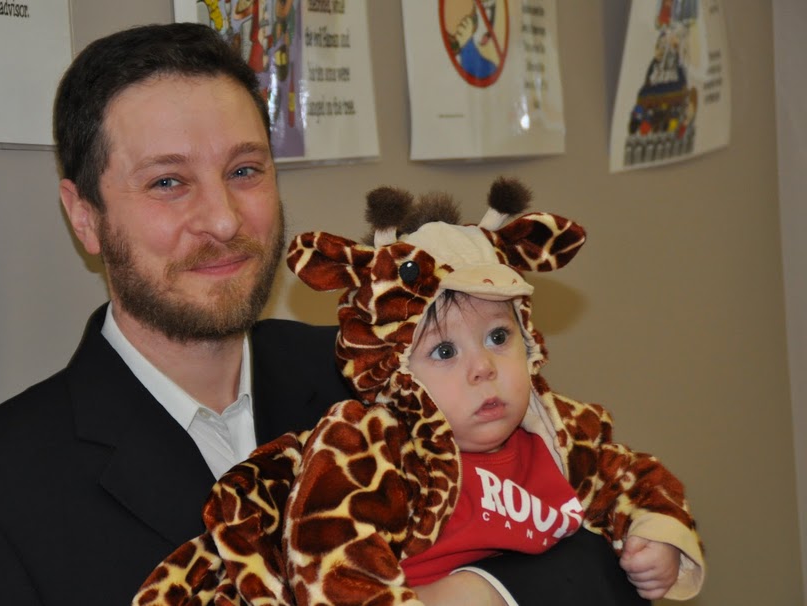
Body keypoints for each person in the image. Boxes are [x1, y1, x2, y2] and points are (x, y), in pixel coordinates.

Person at [0, 21, 680, 606]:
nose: (223, 220)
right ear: (85, 217)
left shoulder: (398, 374)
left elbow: (601, 548)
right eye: (168, 182)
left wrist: (474, 593)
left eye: (245, 171)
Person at [135, 178, 704, 605]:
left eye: (499, 337)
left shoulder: (560, 435)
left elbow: (634, 479)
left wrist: (656, 539)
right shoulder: (376, 449)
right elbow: (335, 561)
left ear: (530, 339)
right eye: (445, 352)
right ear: (395, 369)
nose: (483, 368)